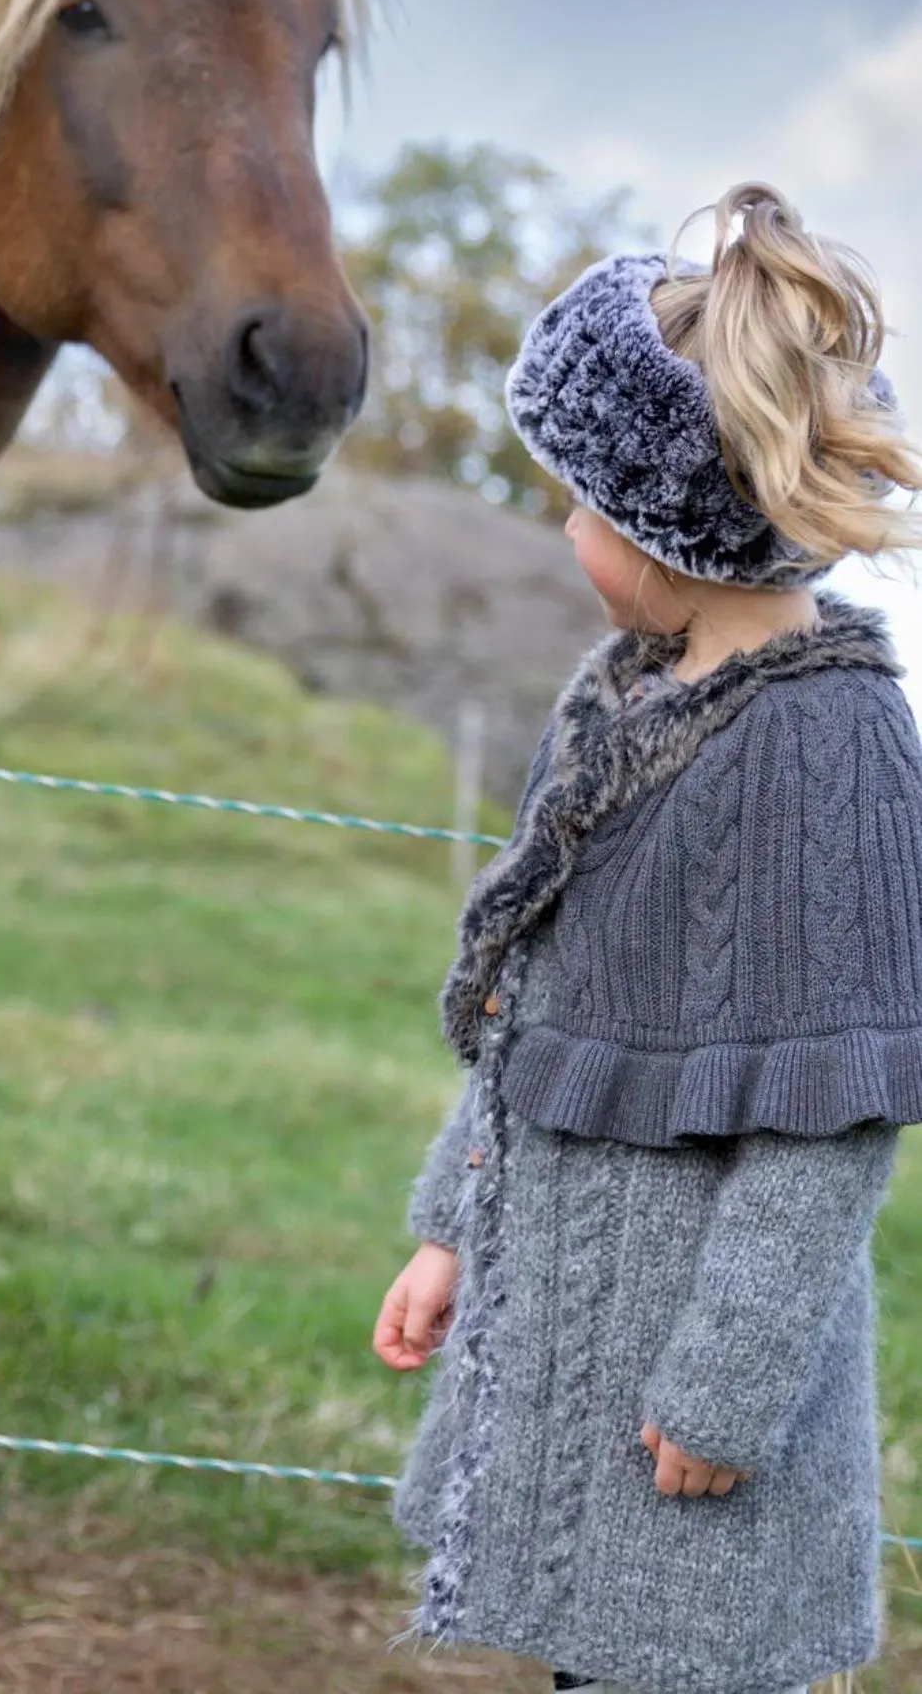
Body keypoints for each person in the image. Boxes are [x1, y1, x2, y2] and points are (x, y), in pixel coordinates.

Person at [373, 182, 922, 1694]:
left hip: (690, 1405)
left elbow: (829, 1126)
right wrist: (448, 1230)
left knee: (684, 1658)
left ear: (667, 524)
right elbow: (532, 1005)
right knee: (593, 1656)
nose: (563, 528)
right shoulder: (627, 698)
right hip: (568, 1330)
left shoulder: (833, 748)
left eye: (580, 503)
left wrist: (726, 1390)